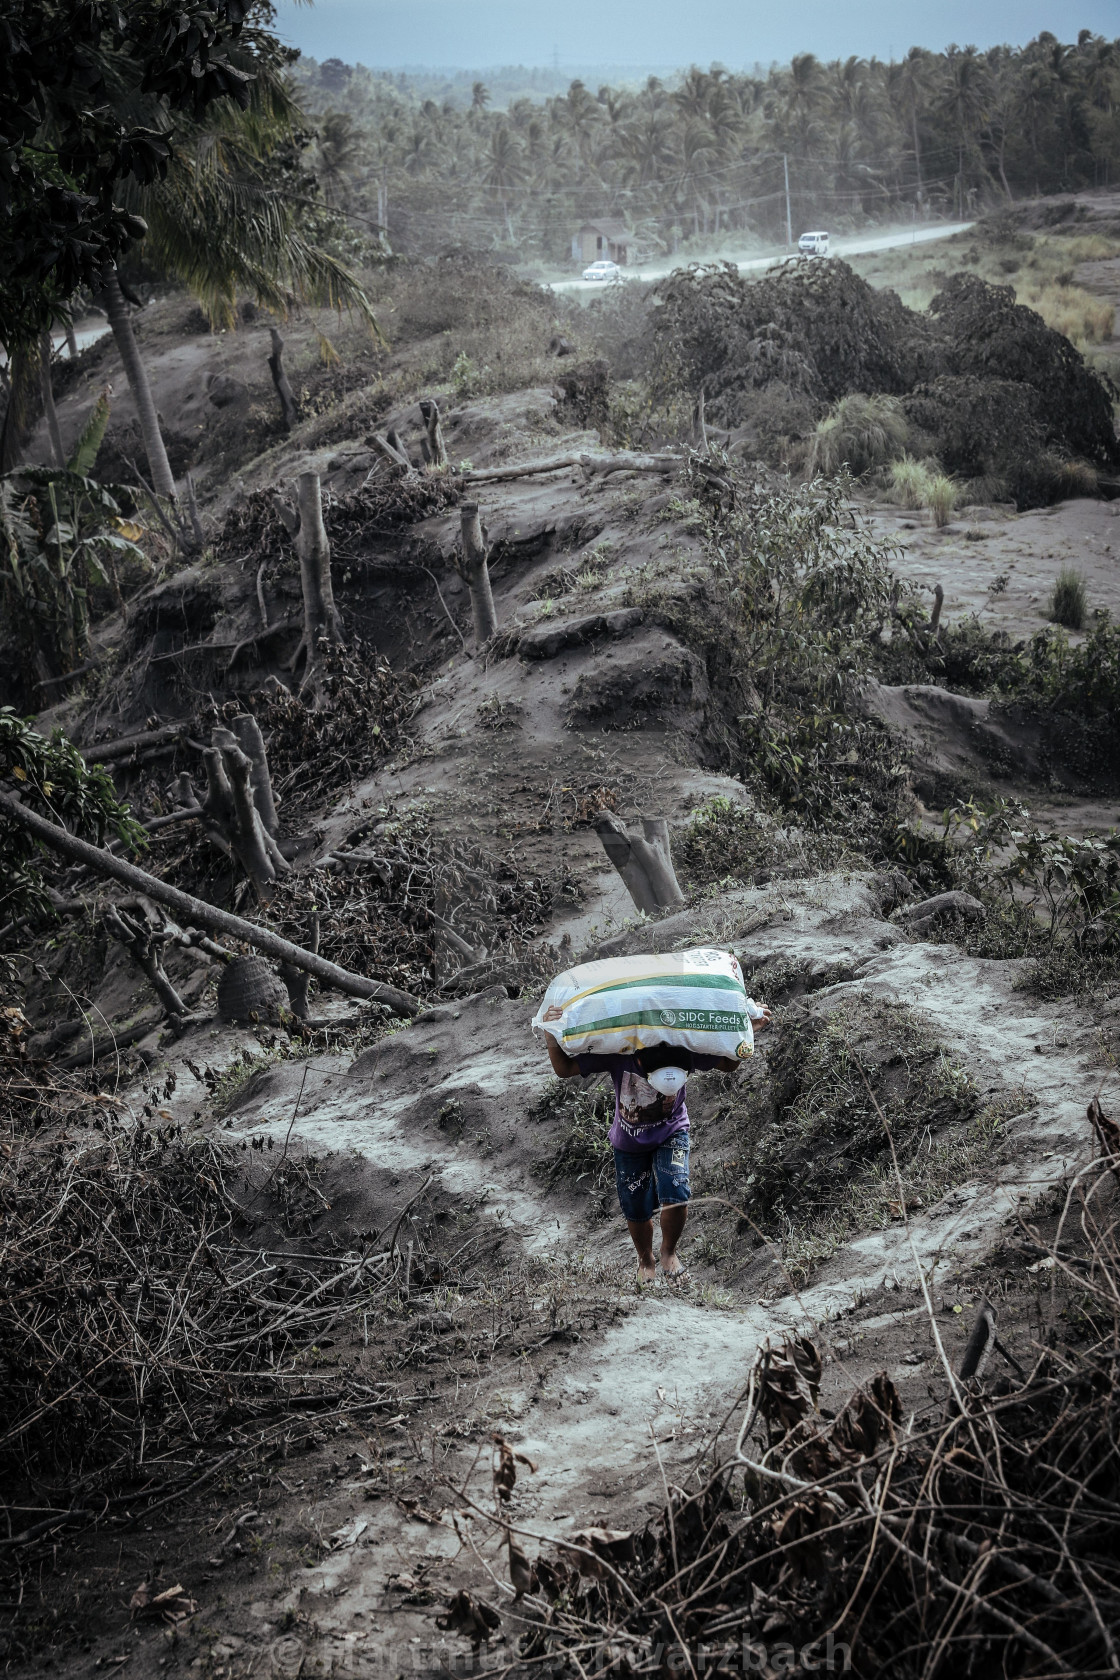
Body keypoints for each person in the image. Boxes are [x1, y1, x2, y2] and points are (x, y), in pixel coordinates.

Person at [545, 1007, 771, 1283]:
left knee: (675, 1189)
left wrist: (744, 1030)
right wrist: (550, 1034)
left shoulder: (687, 1047)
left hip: (671, 1132)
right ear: (640, 1064)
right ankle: (645, 1259)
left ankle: (668, 1252)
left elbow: (729, 1063)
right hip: (628, 1142)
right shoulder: (620, 1055)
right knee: (636, 1205)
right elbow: (564, 1068)